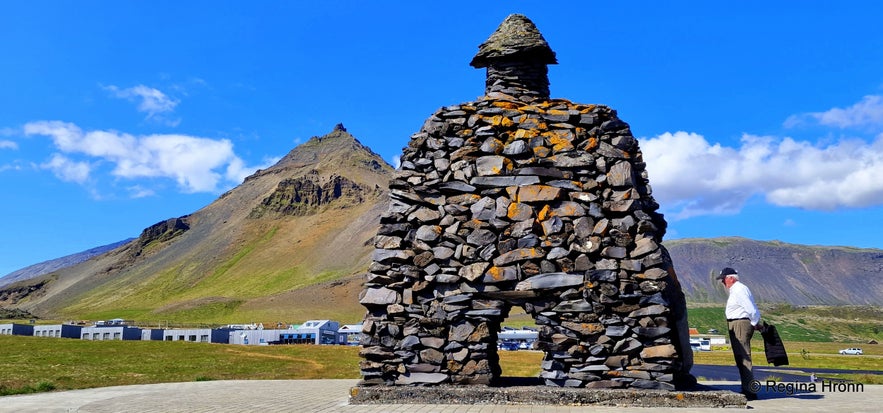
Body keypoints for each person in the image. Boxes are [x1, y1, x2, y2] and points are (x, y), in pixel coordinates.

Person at [717, 267, 762, 400]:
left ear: (730, 278)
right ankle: (746, 387)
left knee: (744, 356)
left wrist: (754, 322)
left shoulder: (739, 289)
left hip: (740, 323)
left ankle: (750, 390)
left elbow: (750, 308)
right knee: (740, 356)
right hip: (736, 323)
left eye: (724, 279)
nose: (723, 282)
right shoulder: (736, 290)